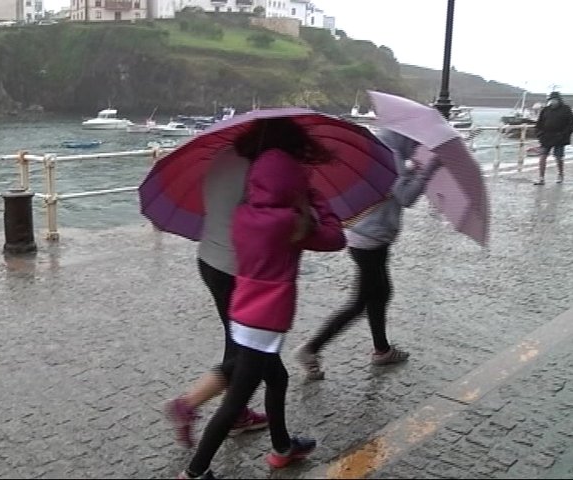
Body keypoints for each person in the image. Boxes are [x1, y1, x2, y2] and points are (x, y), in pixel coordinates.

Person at [178, 118, 347, 479]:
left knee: (278, 378)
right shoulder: (293, 224)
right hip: (267, 322)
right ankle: (194, 472)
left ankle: (283, 448)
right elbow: (336, 238)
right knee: (235, 401)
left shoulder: (245, 216)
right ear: (292, 184)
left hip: (242, 309)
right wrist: (311, 199)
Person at [293, 129, 442, 381]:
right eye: (414, 140)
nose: (417, 144)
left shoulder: (380, 152)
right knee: (362, 300)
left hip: (366, 234)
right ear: (404, 136)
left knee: (381, 292)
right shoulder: (392, 157)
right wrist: (429, 168)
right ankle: (310, 349)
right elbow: (405, 198)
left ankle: (382, 349)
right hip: (370, 238)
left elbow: (390, 190)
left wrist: (410, 170)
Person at [164, 147, 268, 450]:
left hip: (209, 259)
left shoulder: (221, 158)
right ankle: (187, 403)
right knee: (251, 353)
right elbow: (262, 222)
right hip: (235, 268)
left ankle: (236, 412)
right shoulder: (258, 169)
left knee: (235, 340)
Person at [533, 91, 573, 185]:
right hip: (546, 137)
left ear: (559, 100)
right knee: (542, 157)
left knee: (558, 157)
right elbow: (539, 123)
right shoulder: (545, 110)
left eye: (555, 100)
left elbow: (571, 124)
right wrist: (539, 134)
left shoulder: (566, 109)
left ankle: (560, 174)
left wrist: (563, 134)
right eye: (552, 100)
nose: (553, 101)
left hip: (560, 137)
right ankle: (541, 178)